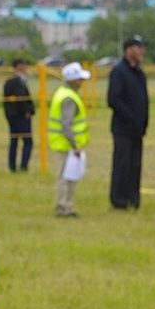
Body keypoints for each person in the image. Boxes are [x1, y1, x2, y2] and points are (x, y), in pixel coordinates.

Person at [106, 34, 149, 208]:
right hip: (123, 128)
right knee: (122, 164)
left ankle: (133, 198)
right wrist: (131, 118)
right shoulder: (119, 72)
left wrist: (143, 121)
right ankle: (119, 199)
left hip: (137, 129)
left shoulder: (139, 73)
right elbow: (114, 100)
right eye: (138, 47)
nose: (142, 51)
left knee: (135, 165)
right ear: (129, 49)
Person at [49, 62, 91, 217]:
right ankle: (63, 207)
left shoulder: (63, 93)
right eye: (80, 78)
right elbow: (66, 125)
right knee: (66, 178)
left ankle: (66, 206)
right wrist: (75, 145)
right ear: (73, 80)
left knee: (68, 176)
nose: (82, 81)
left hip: (64, 143)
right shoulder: (69, 98)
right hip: (67, 144)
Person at [2, 58, 35, 172]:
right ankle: (23, 166)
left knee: (14, 141)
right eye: (25, 66)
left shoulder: (11, 80)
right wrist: (28, 111)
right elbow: (21, 100)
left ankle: (13, 167)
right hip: (20, 117)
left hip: (13, 117)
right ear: (19, 66)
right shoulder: (16, 80)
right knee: (27, 141)